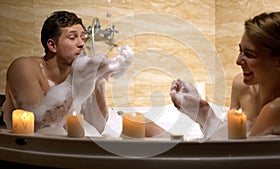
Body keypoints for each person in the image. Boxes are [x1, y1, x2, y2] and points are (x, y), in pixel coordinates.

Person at [1, 10, 165, 137]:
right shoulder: (24, 67)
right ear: (52, 45)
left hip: (74, 138)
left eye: (83, 37)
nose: (81, 43)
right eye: (73, 37)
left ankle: (181, 147)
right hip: (36, 147)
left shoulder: (79, 70)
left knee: (141, 121)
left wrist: (97, 79)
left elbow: (98, 125)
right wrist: (75, 81)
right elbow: (37, 127)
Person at [170, 11, 280, 137]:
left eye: (249, 54)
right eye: (240, 51)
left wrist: (203, 112)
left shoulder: (277, 109)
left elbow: (239, 153)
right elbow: (226, 141)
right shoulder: (241, 86)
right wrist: (200, 109)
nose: (238, 61)